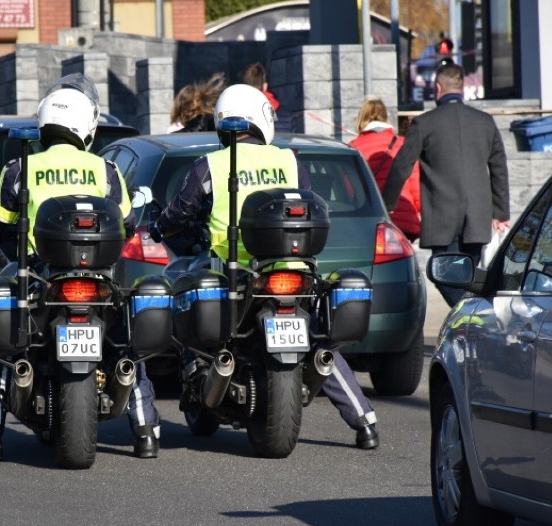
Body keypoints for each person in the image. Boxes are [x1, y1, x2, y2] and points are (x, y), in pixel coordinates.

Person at [150, 83, 379, 450]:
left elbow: (181, 211)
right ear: (261, 119)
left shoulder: (210, 163)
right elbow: (306, 201)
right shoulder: (288, 160)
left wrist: (159, 226)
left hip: (235, 270)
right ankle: (365, 422)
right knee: (318, 341)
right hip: (294, 267)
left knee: (189, 300)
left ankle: (202, 377)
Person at [0, 73, 162, 461]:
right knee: (124, 341)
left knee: (2, 348)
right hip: (98, 278)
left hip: (38, 276)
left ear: (44, 123)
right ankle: (146, 433)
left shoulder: (21, 168)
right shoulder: (105, 170)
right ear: (87, 126)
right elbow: (126, 222)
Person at [382, 62, 511, 307]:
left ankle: (471, 313)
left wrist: (387, 204)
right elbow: (498, 167)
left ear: (438, 88)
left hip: (442, 215)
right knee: (467, 276)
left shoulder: (425, 123)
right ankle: (473, 314)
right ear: (461, 88)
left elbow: (401, 166)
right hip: (477, 215)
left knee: (442, 274)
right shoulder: (484, 122)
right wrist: (501, 212)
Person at [349, 96, 421, 241]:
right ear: (385, 117)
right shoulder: (402, 144)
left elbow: (350, 190)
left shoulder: (354, 147)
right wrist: (419, 210)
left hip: (370, 218)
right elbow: (415, 184)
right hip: (402, 219)